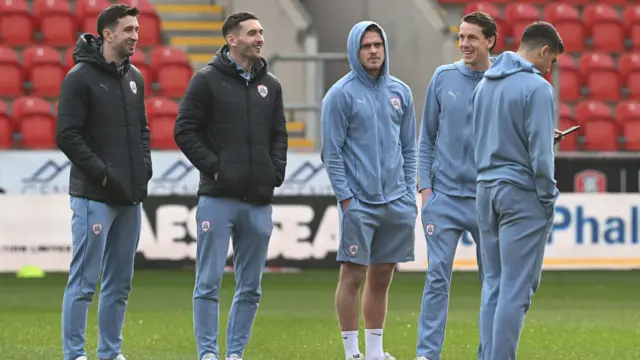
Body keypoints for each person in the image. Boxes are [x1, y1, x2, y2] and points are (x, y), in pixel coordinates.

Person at [173, 11, 288, 360]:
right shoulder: (206, 80)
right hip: (218, 197)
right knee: (208, 282)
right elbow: (184, 130)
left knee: (250, 287)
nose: (260, 39)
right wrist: (214, 168)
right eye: (252, 33)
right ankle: (208, 354)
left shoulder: (273, 85)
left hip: (258, 200)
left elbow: (278, 135)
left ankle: (235, 354)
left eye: (262, 32)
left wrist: (275, 172)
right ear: (231, 39)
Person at [55, 5, 150, 360]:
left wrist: (144, 168)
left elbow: (142, 130)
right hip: (94, 195)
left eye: (137, 29)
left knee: (119, 284)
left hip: (129, 197)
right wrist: (104, 174)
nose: (135, 36)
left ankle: (110, 353)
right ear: (107, 34)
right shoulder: (79, 77)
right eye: (127, 30)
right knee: (84, 281)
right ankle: (75, 354)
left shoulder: (135, 78)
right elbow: (67, 134)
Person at [321, 21, 418, 360]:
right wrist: (347, 198)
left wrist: (408, 193)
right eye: (366, 46)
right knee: (352, 275)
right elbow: (331, 152)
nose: (374, 51)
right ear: (354, 51)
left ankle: (375, 351)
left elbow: (410, 148)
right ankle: (352, 353)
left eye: (378, 44)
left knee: (382, 276)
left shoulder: (401, 92)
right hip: (359, 203)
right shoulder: (340, 94)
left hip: (397, 202)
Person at [471, 21, 564, 360]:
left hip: (485, 190)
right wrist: (548, 195)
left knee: (493, 285)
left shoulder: (484, 84)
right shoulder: (537, 88)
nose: (549, 68)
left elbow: (482, 138)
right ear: (542, 51)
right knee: (516, 289)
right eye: (551, 60)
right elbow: (540, 156)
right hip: (520, 193)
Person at [415, 11, 497, 360]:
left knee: (493, 285)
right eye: (461, 37)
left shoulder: (503, 81)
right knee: (436, 279)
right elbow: (426, 138)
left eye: (472, 38)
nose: (464, 44)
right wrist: (426, 188)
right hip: (443, 199)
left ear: (489, 41)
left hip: (487, 200)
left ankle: (489, 353)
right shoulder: (443, 76)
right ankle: (426, 355)